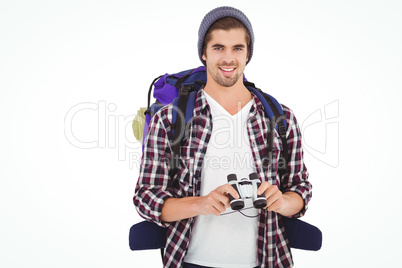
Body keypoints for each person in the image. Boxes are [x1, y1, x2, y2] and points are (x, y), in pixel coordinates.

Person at [134, 6, 312, 268]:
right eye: (218, 47)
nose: (228, 58)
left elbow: (301, 190)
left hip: (268, 260)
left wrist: (283, 201)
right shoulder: (170, 120)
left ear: (248, 54)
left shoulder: (280, 118)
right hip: (191, 261)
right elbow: (146, 197)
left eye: (237, 48)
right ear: (204, 53)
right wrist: (200, 203)